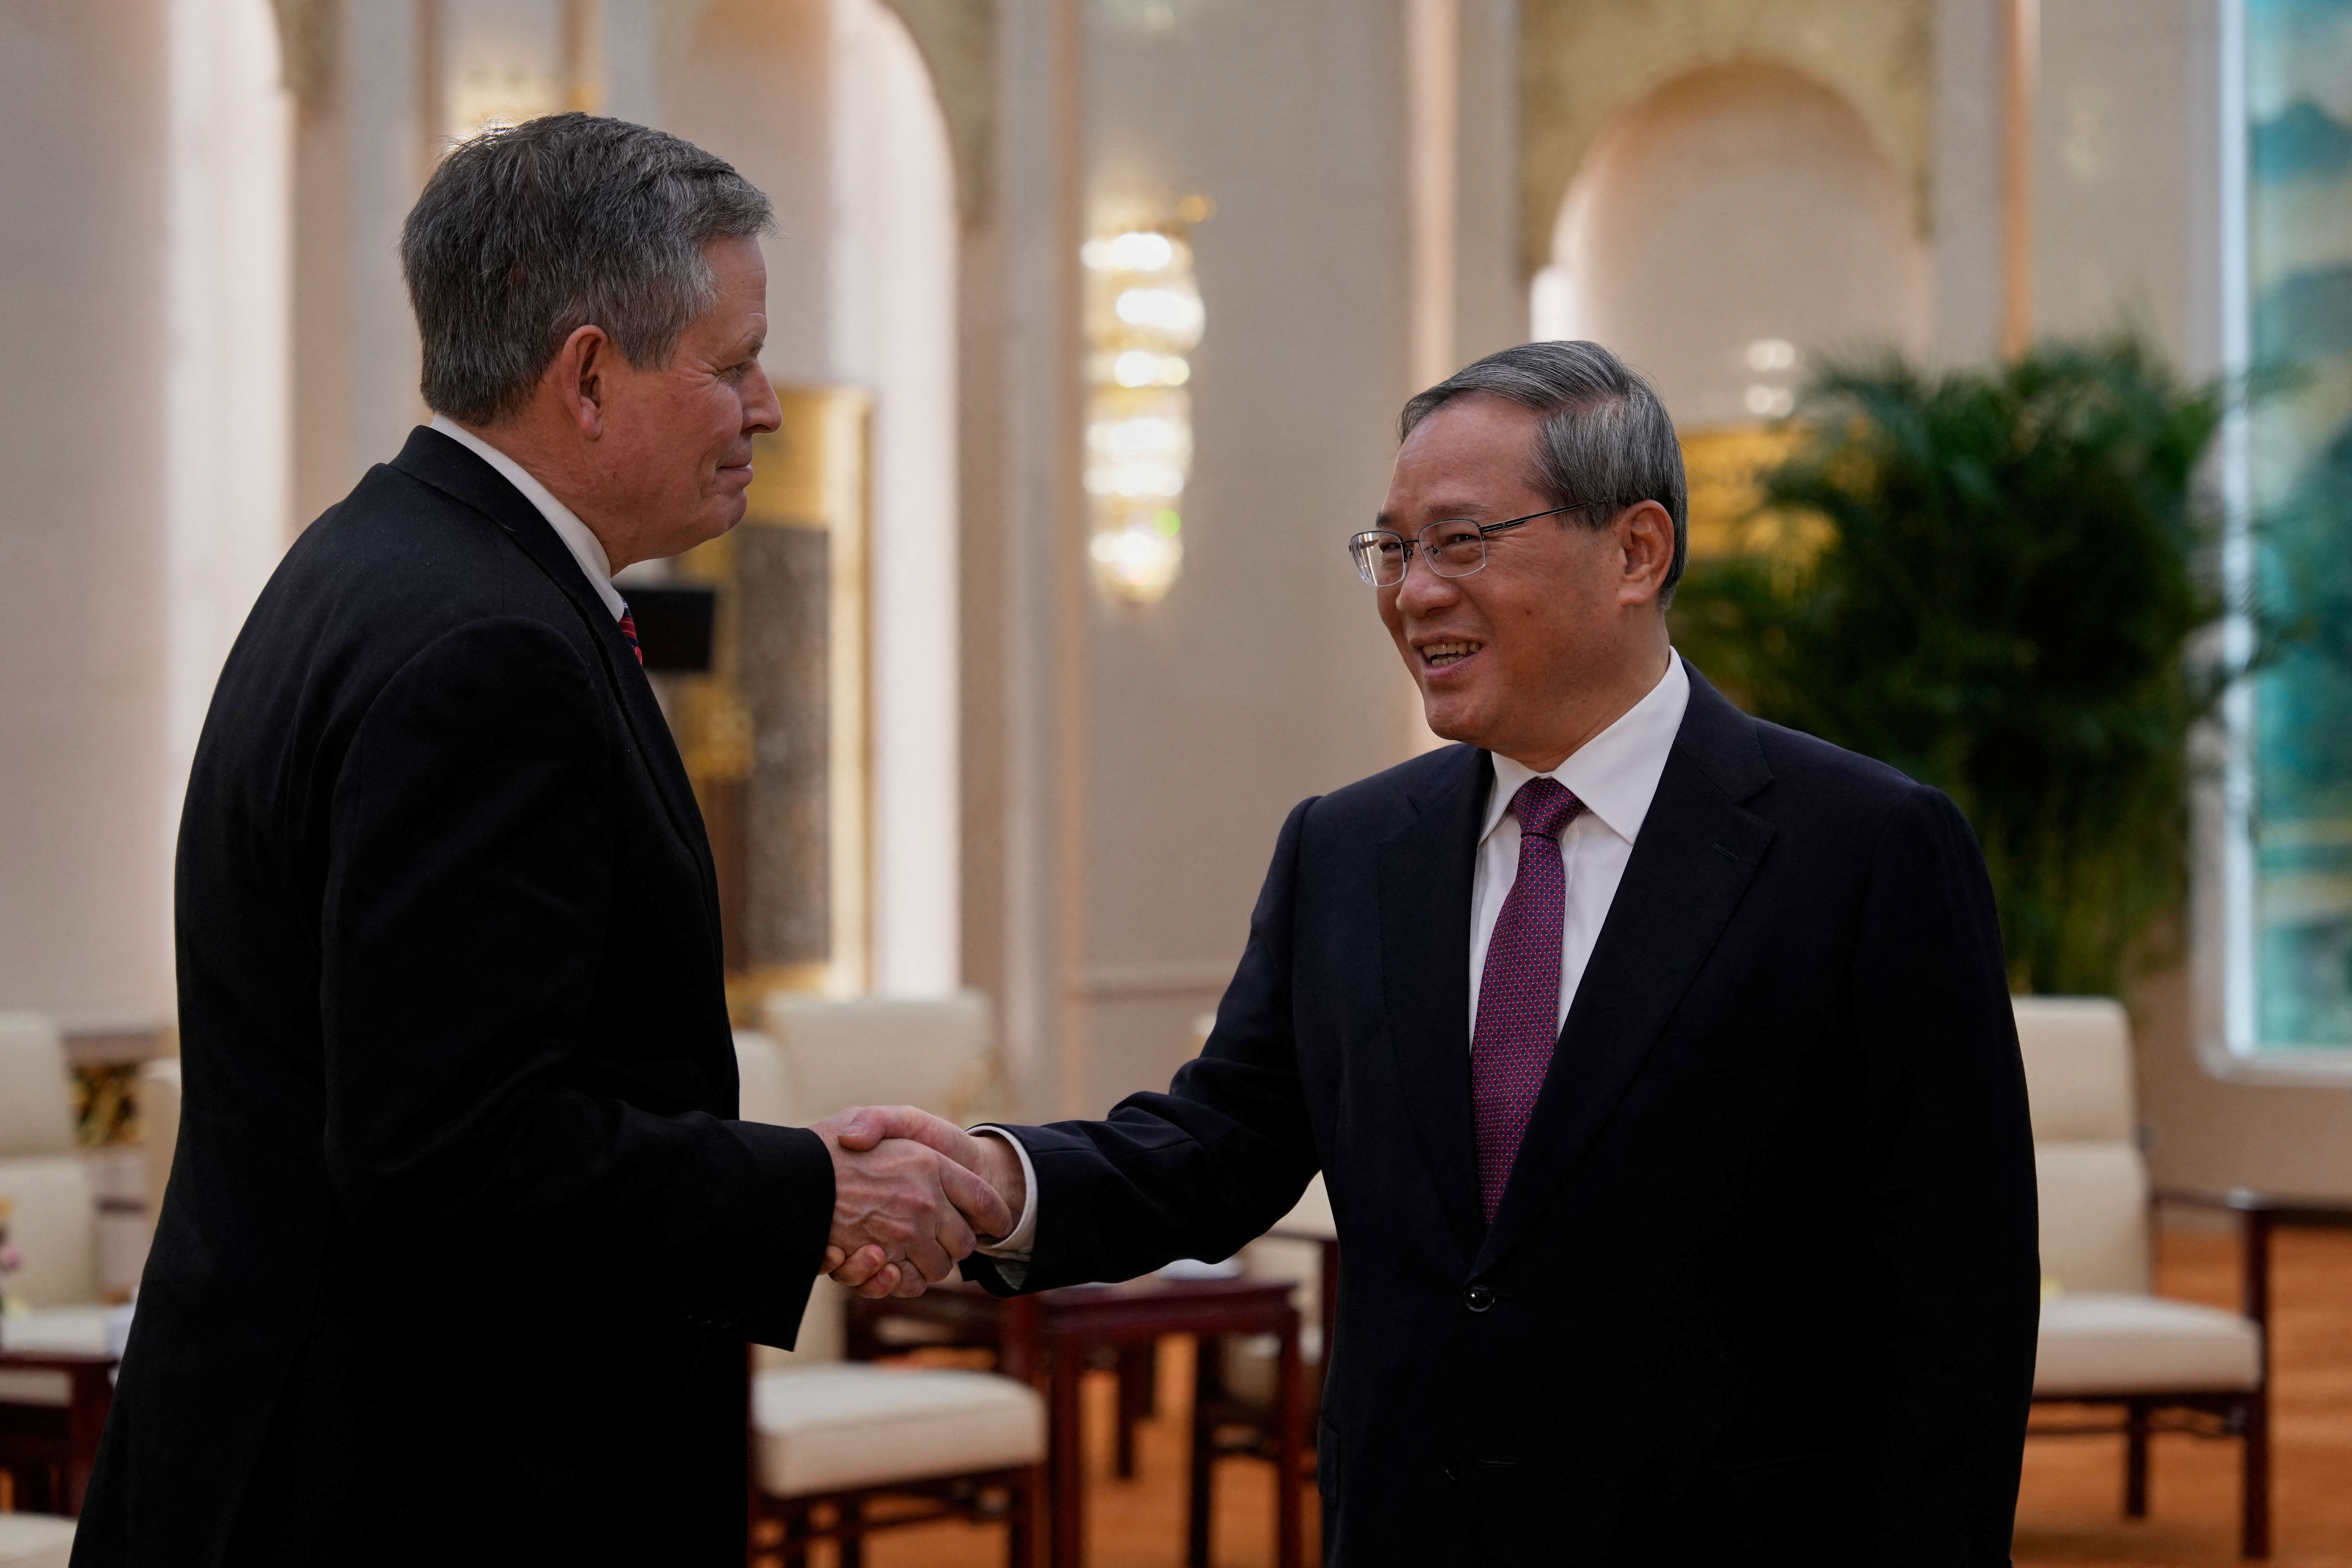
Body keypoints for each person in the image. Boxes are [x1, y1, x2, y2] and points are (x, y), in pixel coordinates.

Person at [846, 341, 2040, 1565]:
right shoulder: (1348, 849)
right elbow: (1221, 1143)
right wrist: (1002, 1181)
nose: (1412, 593)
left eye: (1461, 542)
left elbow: (1958, 1301)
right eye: (1393, 549)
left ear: (1635, 552)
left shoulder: (1861, 849)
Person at [73, 115, 1004, 1567]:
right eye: (732, 362)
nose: (763, 407)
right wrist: (806, 1188)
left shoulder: (374, 560)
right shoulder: (485, 647)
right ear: (585, 372)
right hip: (422, 1487)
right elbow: (450, 1148)